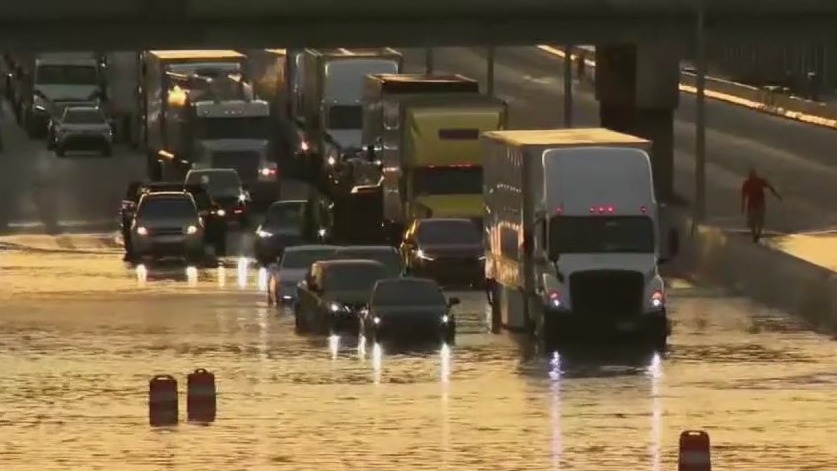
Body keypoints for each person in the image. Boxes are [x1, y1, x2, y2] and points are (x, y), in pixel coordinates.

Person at [741, 169, 781, 242]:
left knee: (758, 220)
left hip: (758, 204)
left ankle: (757, 234)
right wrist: (743, 205)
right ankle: (755, 234)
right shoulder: (748, 183)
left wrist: (777, 195)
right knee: (755, 221)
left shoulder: (757, 181)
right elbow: (744, 195)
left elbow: (770, 187)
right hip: (754, 204)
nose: (752, 176)